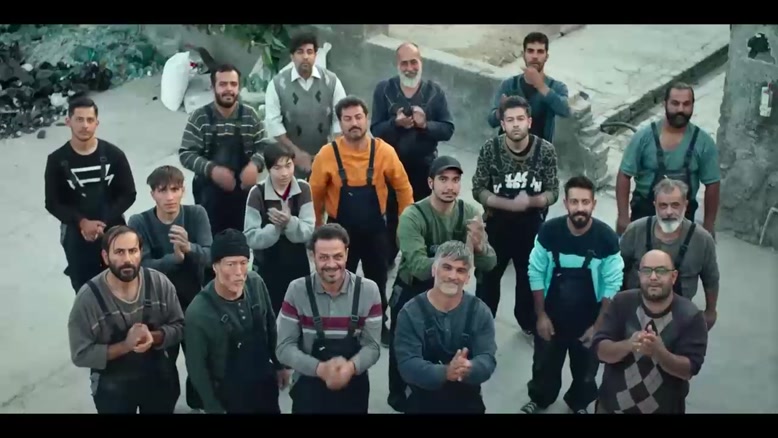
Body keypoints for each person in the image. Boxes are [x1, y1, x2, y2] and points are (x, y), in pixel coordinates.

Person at [387, 155, 497, 412]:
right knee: (404, 351)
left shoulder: (470, 213)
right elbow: (417, 266)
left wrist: (479, 246)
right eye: (443, 179)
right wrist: (453, 263)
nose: (450, 186)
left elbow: (490, 262)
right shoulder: (413, 216)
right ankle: (401, 398)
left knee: (451, 347)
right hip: (413, 288)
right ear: (430, 183)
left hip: (452, 294)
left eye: (455, 180)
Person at [309, 95, 413, 344]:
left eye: (358, 117)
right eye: (347, 119)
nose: (354, 123)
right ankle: (337, 328)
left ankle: (379, 324)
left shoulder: (384, 151)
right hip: (338, 232)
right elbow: (314, 195)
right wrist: (316, 230)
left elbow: (403, 188)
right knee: (336, 280)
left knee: (377, 281)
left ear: (367, 119)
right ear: (340, 123)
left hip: (375, 229)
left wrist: (405, 225)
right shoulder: (327, 154)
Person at [520, 175, 624, 414]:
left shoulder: (607, 239)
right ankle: (540, 399)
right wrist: (541, 316)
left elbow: (612, 284)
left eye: (585, 202)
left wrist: (598, 326)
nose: (580, 208)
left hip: (589, 319)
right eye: (574, 202)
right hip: (552, 314)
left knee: (586, 371)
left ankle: (579, 405)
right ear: (565, 203)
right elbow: (535, 272)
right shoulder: (549, 232)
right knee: (544, 364)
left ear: (593, 204)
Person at [67, 225, 184, 414]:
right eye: (119, 252)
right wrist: (126, 346)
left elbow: (180, 326)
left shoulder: (159, 283)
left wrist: (153, 337)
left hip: (158, 379)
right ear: (105, 257)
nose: (127, 259)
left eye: (133, 251)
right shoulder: (88, 300)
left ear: (141, 252)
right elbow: (80, 354)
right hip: (113, 388)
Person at [472, 95, 560, 340]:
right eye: (510, 120)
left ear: (529, 122)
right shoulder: (491, 149)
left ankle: (528, 322)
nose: (516, 124)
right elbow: (478, 189)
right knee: (488, 277)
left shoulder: (545, 151)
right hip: (496, 224)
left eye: (520, 119)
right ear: (502, 124)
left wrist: (531, 201)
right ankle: (482, 325)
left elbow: (553, 191)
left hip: (530, 225)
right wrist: (509, 204)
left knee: (529, 278)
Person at [127, 165, 212, 410]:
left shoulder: (196, 214)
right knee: (162, 367)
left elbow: (211, 256)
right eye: (162, 190)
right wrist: (174, 258)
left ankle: (198, 401)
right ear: (152, 194)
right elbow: (140, 266)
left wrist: (189, 248)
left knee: (200, 361)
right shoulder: (139, 222)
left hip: (194, 301)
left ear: (183, 190)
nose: (169, 197)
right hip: (158, 306)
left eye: (175, 189)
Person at [276, 224, 383, 413]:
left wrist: (350, 368)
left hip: (353, 389)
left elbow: (373, 347)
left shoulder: (368, 290)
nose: (331, 264)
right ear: (312, 256)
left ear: (347, 254)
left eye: (338, 256)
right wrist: (320, 369)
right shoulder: (297, 290)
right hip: (308, 388)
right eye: (324, 257)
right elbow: (284, 347)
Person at [183, 229, 289, 414]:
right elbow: (197, 369)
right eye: (230, 264)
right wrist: (213, 407)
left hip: (264, 384)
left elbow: (271, 325)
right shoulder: (198, 312)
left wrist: (279, 365)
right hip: (229, 396)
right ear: (215, 266)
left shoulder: (255, 283)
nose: (238, 272)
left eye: (243, 263)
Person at [591, 249, 709, 414]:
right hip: (611, 408)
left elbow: (688, 370)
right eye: (647, 271)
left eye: (661, 271)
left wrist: (659, 352)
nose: (653, 277)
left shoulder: (691, 316)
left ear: (673, 276)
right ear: (639, 275)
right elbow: (600, 351)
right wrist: (629, 345)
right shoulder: (622, 302)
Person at [370, 42, 455, 265]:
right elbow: (375, 129)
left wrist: (425, 125)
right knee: (390, 218)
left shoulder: (434, 92)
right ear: (397, 65)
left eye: (413, 62)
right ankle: (387, 260)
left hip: (424, 168)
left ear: (421, 63)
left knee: (423, 218)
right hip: (390, 167)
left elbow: (448, 129)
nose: (409, 68)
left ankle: (419, 264)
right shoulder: (384, 90)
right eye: (404, 63)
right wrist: (395, 123)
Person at [45, 96, 137, 293]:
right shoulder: (56, 160)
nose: (85, 125)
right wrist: (81, 222)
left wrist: (104, 221)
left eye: (89, 120)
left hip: (113, 229)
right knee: (85, 290)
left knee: (123, 284)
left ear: (97, 123)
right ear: (68, 121)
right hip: (76, 235)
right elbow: (52, 202)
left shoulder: (114, 155)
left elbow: (129, 193)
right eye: (79, 119)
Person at [394, 240, 497, 414]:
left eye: (461, 270)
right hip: (422, 402)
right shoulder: (410, 313)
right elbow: (407, 365)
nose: (452, 276)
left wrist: (469, 367)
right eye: (447, 267)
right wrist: (446, 372)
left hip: (467, 402)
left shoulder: (480, 312)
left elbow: (488, 359)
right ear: (434, 270)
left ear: (468, 277)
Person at [616, 82, 721, 236]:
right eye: (675, 103)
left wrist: (709, 225)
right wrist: (623, 217)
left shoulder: (704, 143)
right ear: (665, 104)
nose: (680, 109)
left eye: (686, 104)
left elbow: (712, 184)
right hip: (644, 213)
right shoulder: (644, 137)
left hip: (684, 217)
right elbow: (624, 175)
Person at [178, 63, 266, 237]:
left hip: (244, 194)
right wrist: (212, 170)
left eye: (233, 84)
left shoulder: (250, 115)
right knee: (212, 242)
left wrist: (255, 164)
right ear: (213, 87)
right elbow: (186, 153)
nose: (229, 89)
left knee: (245, 240)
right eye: (223, 84)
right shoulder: (199, 117)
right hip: (209, 198)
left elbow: (265, 145)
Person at [620, 178, 719, 329]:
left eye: (675, 205)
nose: (669, 212)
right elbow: (617, 269)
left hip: (680, 316)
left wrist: (710, 312)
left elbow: (711, 279)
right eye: (663, 205)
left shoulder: (703, 239)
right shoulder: (635, 230)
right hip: (635, 311)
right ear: (655, 205)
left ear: (685, 205)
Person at [264, 31, 347, 179]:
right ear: (292, 56)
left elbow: (340, 117)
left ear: (316, 55)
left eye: (310, 52)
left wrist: (330, 151)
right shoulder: (277, 85)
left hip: (326, 156)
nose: (305, 57)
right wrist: (296, 153)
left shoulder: (331, 81)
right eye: (300, 52)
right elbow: (273, 123)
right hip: (288, 159)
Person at [244, 142, 315, 315]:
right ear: (269, 169)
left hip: (297, 264)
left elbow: (308, 230)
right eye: (277, 168)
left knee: (300, 312)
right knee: (269, 313)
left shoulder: (303, 189)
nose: (284, 173)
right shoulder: (257, 193)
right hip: (266, 265)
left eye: (288, 165)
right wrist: (274, 228)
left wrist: (290, 222)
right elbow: (250, 236)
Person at [487, 32, 570, 142]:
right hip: (507, 148)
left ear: (546, 57)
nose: (535, 56)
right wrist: (502, 111)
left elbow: (565, 110)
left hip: (540, 150)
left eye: (540, 52)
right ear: (524, 55)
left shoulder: (557, 86)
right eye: (530, 51)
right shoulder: (509, 85)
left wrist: (541, 86)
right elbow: (491, 121)